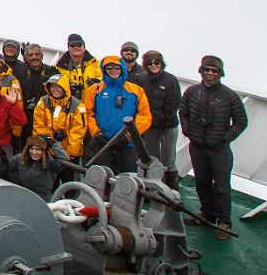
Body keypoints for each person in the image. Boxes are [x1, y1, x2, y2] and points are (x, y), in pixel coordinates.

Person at [179, 55, 247, 240]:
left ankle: (224, 222)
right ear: (201, 71)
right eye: (206, 69)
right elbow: (183, 112)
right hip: (197, 146)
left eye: (214, 71)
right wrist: (187, 130)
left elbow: (241, 121)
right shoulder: (192, 92)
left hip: (219, 149)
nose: (210, 73)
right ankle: (207, 215)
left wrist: (224, 138)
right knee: (201, 182)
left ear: (220, 74)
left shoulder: (229, 96)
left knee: (222, 186)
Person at [85, 56, 151, 174]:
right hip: (103, 143)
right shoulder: (94, 90)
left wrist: (129, 135)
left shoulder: (136, 90)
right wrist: (96, 133)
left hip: (128, 144)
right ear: (104, 70)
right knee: (100, 178)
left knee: (128, 179)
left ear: (122, 69)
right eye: (109, 68)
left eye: (117, 67)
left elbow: (145, 116)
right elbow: (88, 113)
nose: (113, 70)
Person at [141, 50, 182, 189]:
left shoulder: (171, 80)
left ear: (161, 63)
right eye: (150, 63)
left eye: (157, 62)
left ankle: (172, 190)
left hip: (168, 126)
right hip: (150, 127)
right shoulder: (141, 79)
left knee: (168, 160)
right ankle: (152, 188)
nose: (154, 65)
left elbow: (174, 103)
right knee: (152, 159)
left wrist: (165, 120)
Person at [31, 74, 86, 160]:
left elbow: (78, 133)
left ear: (65, 87)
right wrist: (43, 147)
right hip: (47, 151)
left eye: (59, 86)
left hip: (68, 153)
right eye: (52, 86)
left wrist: (70, 154)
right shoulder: (43, 102)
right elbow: (38, 126)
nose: (55, 89)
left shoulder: (77, 106)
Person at [8, 135, 68, 200]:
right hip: (22, 196)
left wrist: (54, 145)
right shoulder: (19, 159)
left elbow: (65, 161)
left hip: (43, 199)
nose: (34, 152)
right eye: (32, 149)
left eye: (38, 150)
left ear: (44, 151)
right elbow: (8, 171)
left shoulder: (51, 164)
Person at [56, 33, 102, 101]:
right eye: (72, 45)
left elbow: (107, 82)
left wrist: (98, 82)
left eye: (79, 45)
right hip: (68, 107)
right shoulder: (58, 67)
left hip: (91, 106)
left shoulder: (97, 65)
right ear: (68, 48)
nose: (76, 47)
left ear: (84, 47)